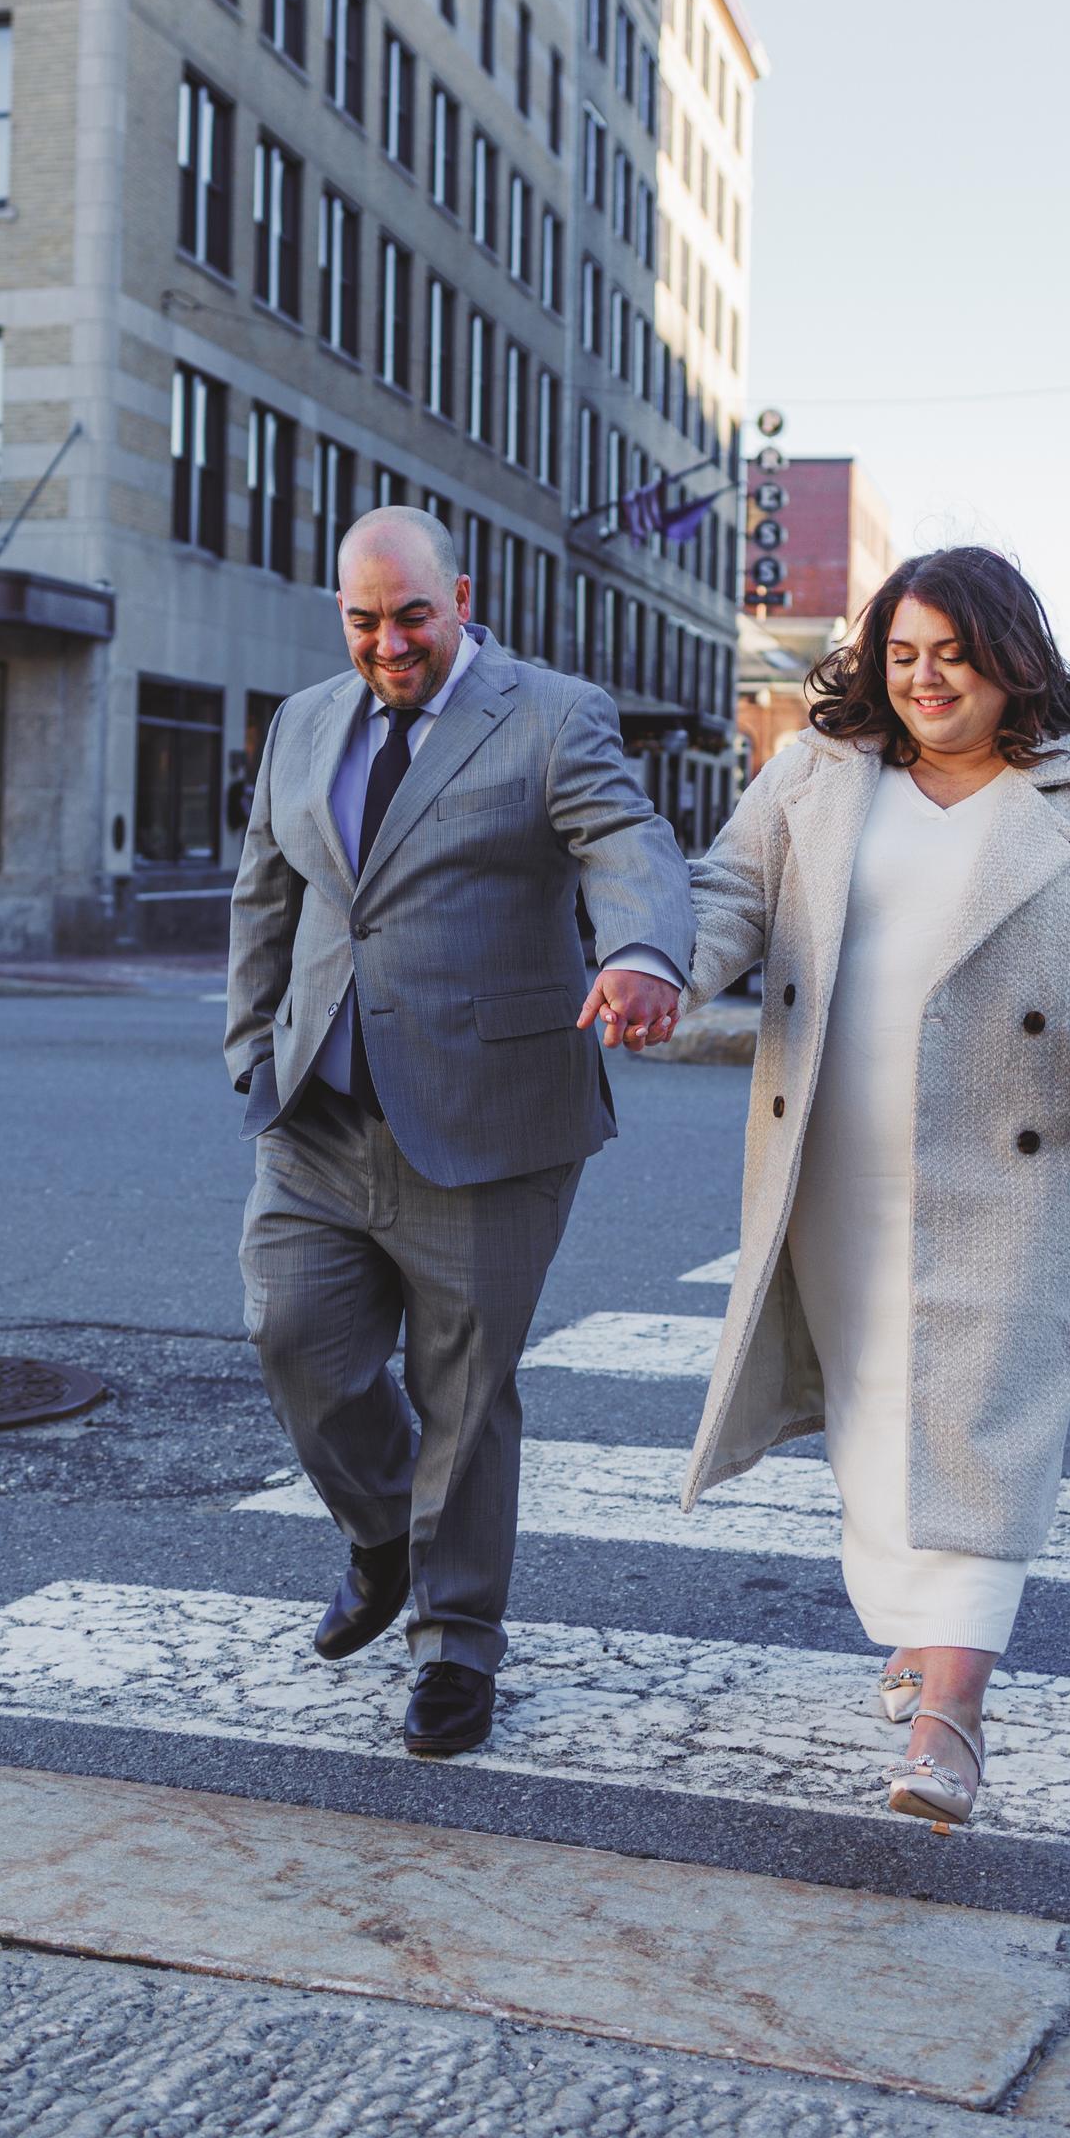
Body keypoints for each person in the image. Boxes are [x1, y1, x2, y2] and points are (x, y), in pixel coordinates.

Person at [678, 547, 1070, 1823]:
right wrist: (666, 972)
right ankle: (915, 1643)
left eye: (952, 657)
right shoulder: (815, 776)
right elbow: (727, 897)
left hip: (1025, 1165)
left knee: (978, 1424)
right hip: (836, 1157)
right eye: (901, 655)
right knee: (873, 1410)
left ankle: (950, 1714)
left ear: (1009, 659)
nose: (924, 681)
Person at [226, 507, 693, 1759]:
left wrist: (643, 949)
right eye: (363, 619)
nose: (388, 644)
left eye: (411, 616)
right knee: (293, 1340)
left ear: (463, 598)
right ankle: (385, 1538)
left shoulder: (549, 713)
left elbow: (623, 839)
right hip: (317, 1108)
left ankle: (454, 1647)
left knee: (464, 1393)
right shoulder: (303, 721)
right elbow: (264, 890)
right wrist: (247, 1048)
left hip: (491, 1117)